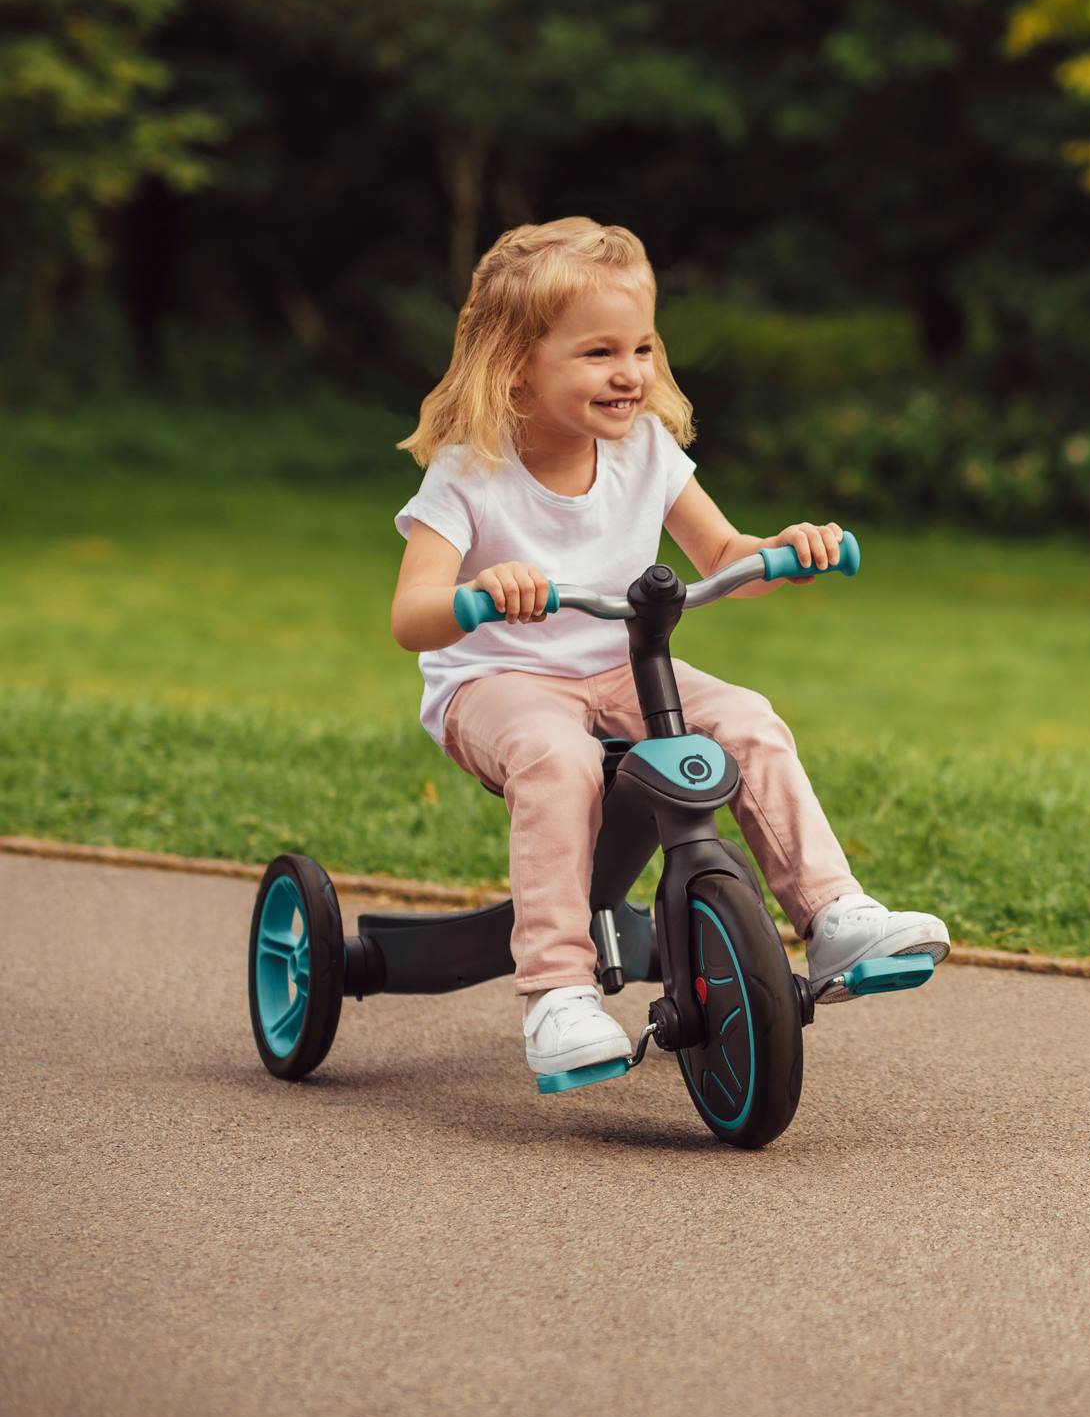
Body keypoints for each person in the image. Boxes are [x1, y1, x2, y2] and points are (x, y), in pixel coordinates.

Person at [390, 216, 950, 1082]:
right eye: (599, 353)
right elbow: (410, 616)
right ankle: (556, 994)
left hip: (619, 667)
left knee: (746, 721)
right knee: (558, 760)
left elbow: (723, 555)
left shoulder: (645, 450)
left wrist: (784, 552)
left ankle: (834, 914)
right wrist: (480, 594)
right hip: (497, 679)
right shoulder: (470, 472)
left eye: (642, 348)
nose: (630, 373)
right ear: (517, 364)